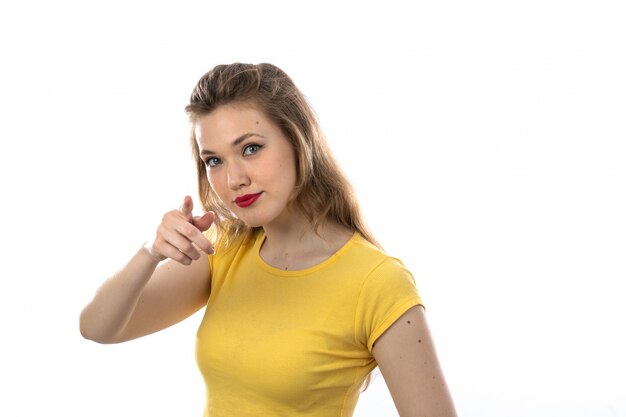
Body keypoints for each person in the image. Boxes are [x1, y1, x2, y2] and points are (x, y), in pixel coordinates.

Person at [79, 63, 457, 417]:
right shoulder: (223, 249)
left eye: (251, 149)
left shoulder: (376, 282)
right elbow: (97, 328)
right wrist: (150, 252)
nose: (233, 179)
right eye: (214, 160)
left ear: (298, 141)